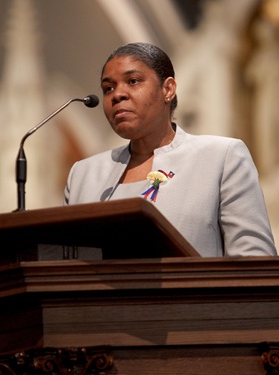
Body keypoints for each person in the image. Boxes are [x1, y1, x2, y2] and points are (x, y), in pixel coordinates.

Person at [64, 42, 277, 257]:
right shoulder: (83, 174)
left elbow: (254, 258)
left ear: (168, 89)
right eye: (108, 88)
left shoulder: (221, 157)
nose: (117, 94)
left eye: (133, 81)